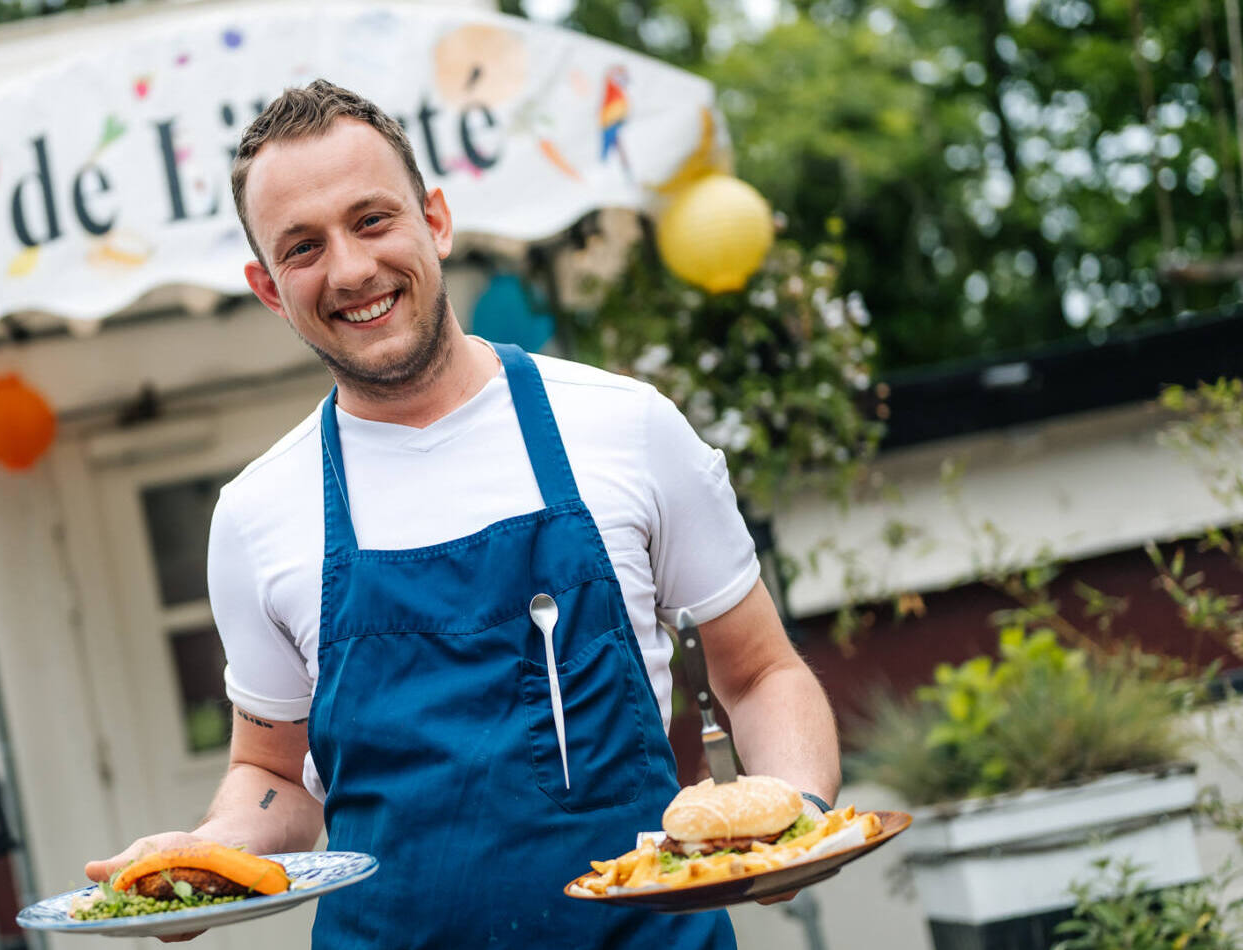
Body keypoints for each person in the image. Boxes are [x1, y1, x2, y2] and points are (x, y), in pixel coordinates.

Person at [84, 79, 840, 948]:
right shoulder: (256, 517)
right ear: (267, 287)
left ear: (435, 220)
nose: (353, 268)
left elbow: (758, 674)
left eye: (372, 220)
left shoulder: (623, 427)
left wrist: (798, 816)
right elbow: (273, 772)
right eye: (303, 247)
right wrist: (206, 858)